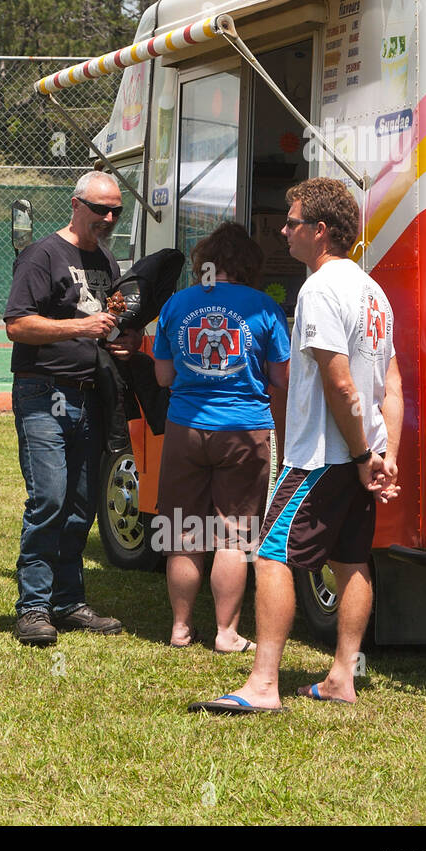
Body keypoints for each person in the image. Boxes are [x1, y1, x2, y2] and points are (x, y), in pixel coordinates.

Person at [191, 178, 402, 714]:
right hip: (362, 453)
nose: (282, 230)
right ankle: (340, 678)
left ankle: (262, 685)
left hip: (324, 457)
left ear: (320, 231)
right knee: (351, 561)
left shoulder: (321, 288)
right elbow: (392, 388)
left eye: (292, 222)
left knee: (269, 556)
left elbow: (341, 383)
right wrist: (384, 455)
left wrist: (359, 455)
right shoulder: (374, 292)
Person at [5, 170, 140, 646]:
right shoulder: (41, 255)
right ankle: (34, 606)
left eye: (116, 211)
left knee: (82, 504)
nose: (108, 218)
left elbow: (119, 316)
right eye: (100, 209)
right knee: (51, 498)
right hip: (45, 393)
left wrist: (127, 339)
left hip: (91, 392)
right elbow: (18, 325)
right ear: (76, 204)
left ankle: (67, 600)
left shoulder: (105, 257)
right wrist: (80, 330)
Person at [150, 222, 290, 652]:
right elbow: (281, 379)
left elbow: (163, 375)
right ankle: (226, 633)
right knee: (234, 534)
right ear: (248, 265)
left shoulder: (177, 304)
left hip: (185, 430)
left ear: (205, 261)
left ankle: (179, 628)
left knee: (182, 532)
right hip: (244, 431)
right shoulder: (264, 307)